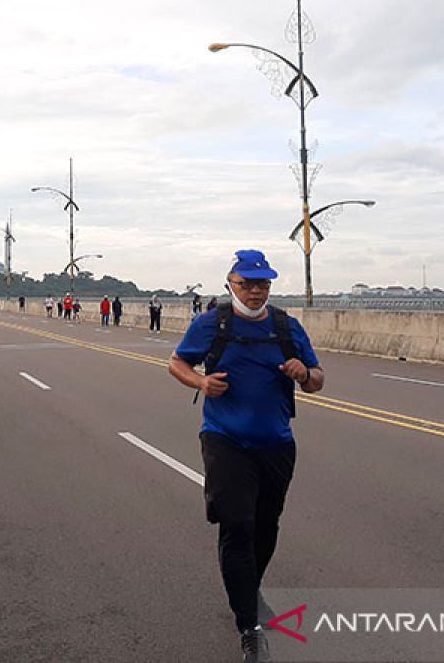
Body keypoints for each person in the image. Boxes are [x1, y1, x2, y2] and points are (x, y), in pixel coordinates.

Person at [167, 250, 323, 663]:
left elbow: (318, 380)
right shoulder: (212, 323)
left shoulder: (286, 327)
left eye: (263, 284)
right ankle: (248, 626)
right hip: (225, 439)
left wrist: (303, 374)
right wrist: (200, 380)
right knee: (238, 524)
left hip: (275, 443)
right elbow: (177, 362)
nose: (255, 291)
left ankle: (248, 587)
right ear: (230, 284)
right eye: (247, 284)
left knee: (266, 527)